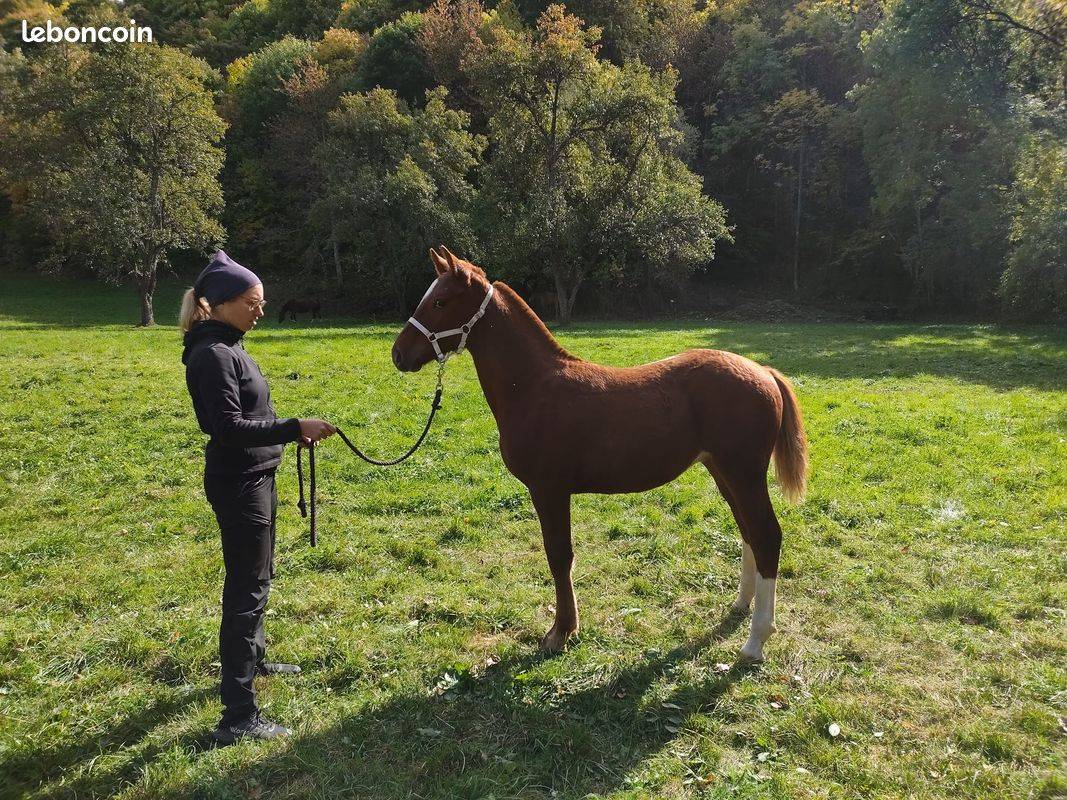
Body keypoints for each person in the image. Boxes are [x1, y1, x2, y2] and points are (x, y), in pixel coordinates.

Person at [179, 250, 335, 744]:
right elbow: (227, 428)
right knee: (246, 592)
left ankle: (255, 661)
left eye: (263, 302)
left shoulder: (229, 345)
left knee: (259, 579)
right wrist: (292, 427)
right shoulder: (213, 355)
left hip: (256, 478)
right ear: (222, 303)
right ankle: (238, 716)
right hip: (241, 483)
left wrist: (289, 434)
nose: (261, 310)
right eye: (252, 302)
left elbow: (250, 418)